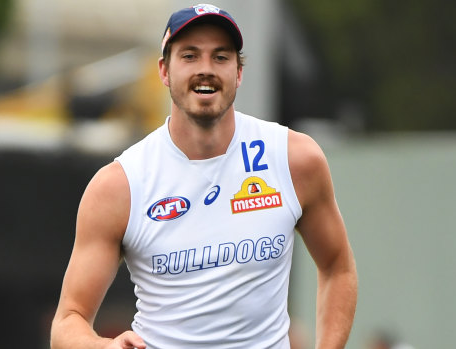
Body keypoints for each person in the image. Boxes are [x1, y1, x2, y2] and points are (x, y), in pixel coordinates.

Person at [51, 4, 357, 349]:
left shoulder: (294, 158)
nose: (206, 70)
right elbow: (67, 321)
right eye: (190, 56)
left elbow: (337, 268)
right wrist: (104, 347)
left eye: (221, 57)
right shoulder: (120, 184)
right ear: (164, 71)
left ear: (239, 73)